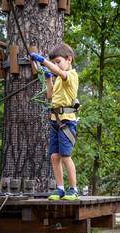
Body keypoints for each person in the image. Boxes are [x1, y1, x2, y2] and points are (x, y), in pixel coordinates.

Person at [30, 43, 79, 200]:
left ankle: (74, 189)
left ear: (69, 59)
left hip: (66, 122)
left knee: (65, 156)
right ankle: (60, 188)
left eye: (58, 61)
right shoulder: (58, 78)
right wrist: (49, 78)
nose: (56, 65)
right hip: (55, 120)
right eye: (54, 62)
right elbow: (50, 95)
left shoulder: (71, 76)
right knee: (55, 156)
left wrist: (43, 60)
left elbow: (59, 71)